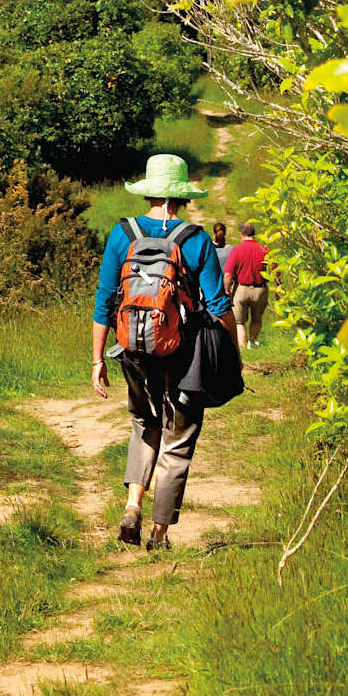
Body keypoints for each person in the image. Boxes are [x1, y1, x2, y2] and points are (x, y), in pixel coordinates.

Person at [91, 153, 236, 552]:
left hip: (133, 350)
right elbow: (220, 305)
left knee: (143, 423)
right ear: (182, 196)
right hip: (182, 353)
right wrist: (233, 353)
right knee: (179, 438)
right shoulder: (196, 239)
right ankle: (159, 533)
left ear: (150, 193)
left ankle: (132, 505)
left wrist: (98, 358)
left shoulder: (122, 233)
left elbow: (105, 298)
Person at [224, 222, 270, 349]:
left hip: (242, 289)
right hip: (260, 289)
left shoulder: (237, 249)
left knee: (239, 322)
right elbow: (276, 270)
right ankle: (253, 343)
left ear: (241, 235)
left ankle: (243, 348)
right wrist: (279, 286)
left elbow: (228, 275)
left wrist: (227, 290)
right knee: (257, 319)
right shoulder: (264, 249)